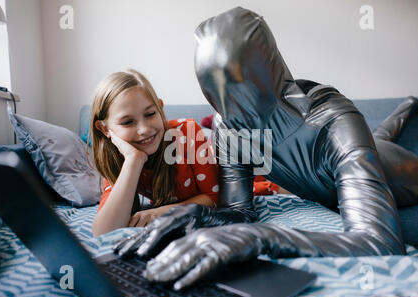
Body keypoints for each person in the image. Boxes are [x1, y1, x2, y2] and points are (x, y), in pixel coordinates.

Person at [115, 7, 418, 291]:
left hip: (396, 172)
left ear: (267, 77)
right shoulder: (227, 123)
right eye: (218, 100)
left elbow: (381, 242)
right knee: (377, 135)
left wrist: (261, 237)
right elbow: (240, 211)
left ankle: (412, 111)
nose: (232, 116)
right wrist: (197, 214)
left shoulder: (334, 121)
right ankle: (409, 106)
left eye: (240, 96)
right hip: (350, 157)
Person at [90, 69, 282, 236]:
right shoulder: (118, 157)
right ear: (105, 129)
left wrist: (161, 212)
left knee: (274, 182)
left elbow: (214, 198)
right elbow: (103, 231)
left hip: (229, 175)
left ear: (160, 107)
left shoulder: (185, 132)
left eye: (150, 114)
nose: (145, 129)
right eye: (127, 122)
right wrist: (133, 160)